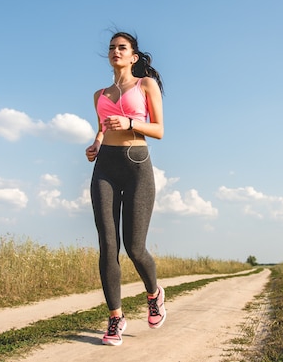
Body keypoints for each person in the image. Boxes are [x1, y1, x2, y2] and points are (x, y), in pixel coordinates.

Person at [85, 31, 166, 346]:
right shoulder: (99, 94)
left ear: (133, 57)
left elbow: (159, 129)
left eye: (122, 47)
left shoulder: (146, 85)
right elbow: (102, 129)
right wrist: (95, 144)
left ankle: (154, 293)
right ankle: (115, 317)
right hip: (105, 167)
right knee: (108, 244)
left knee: (134, 247)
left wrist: (131, 123)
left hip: (136, 166)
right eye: (112, 48)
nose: (115, 51)